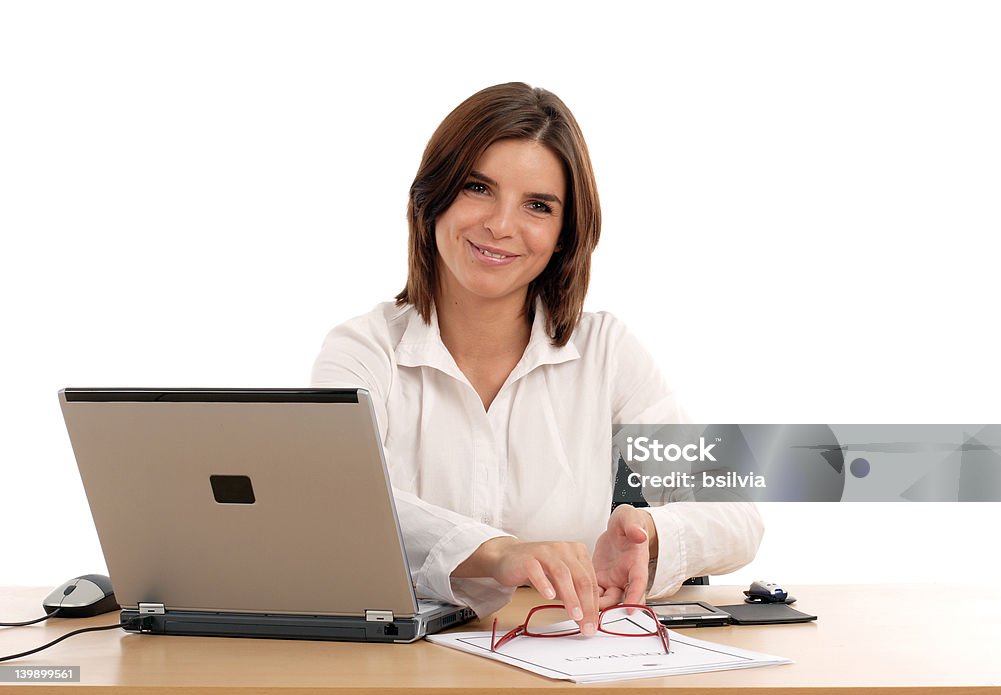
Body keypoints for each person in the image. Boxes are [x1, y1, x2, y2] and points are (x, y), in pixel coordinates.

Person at [311, 82, 763, 636]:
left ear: (563, 233)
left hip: (563, 650)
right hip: (407, 664)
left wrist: (648, 531)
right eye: (478, 188)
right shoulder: (363, 350)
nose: (501, 225)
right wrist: (498, 553)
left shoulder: (607, 352)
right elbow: (339, 502)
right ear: (431, 197)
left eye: (538, 205)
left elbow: (739, 515)